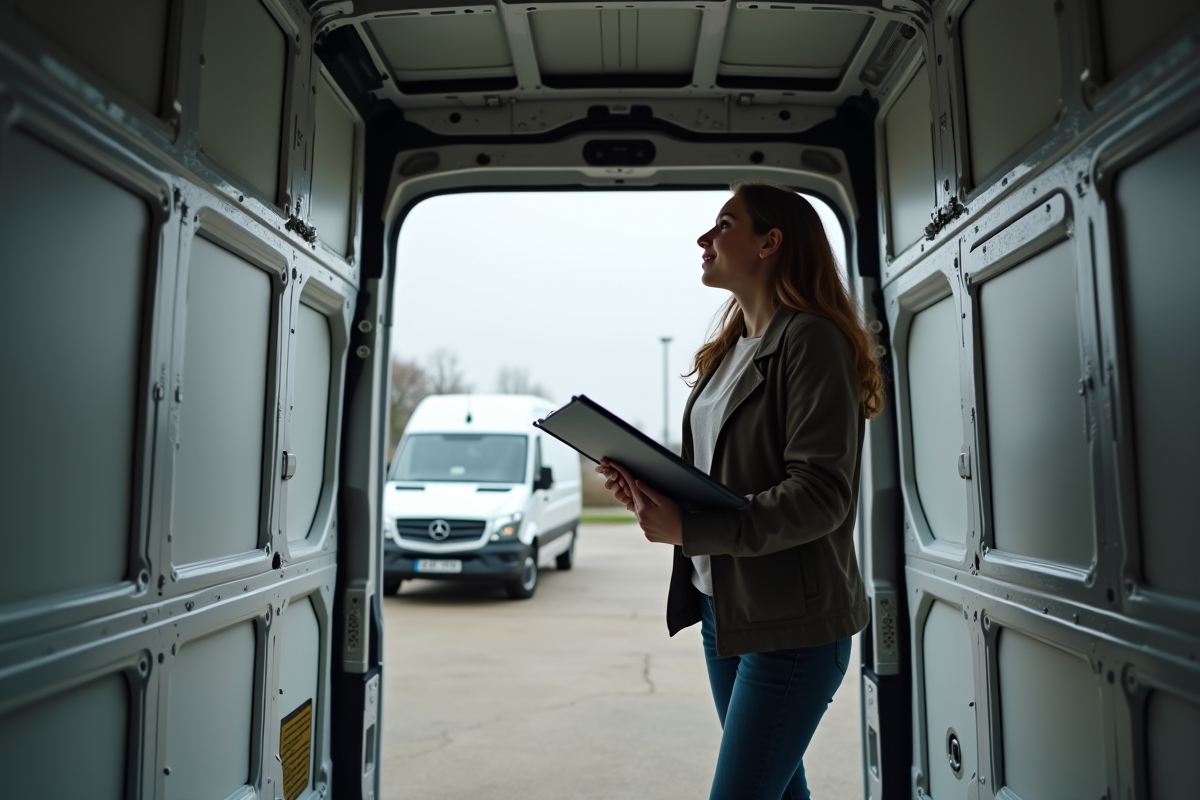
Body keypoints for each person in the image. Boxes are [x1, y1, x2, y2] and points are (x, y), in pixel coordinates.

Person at [598, 180, 885, 800]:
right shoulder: (728, 351)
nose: (704, 238)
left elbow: (820, 495)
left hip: (793, 628)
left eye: (725, 224)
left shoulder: (812, 340)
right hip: (722, 609)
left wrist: (690, 528)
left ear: (769, 242)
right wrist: (650, 491)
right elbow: (723, 475)